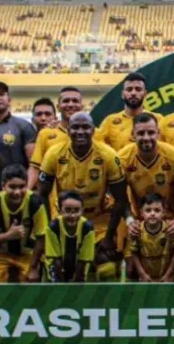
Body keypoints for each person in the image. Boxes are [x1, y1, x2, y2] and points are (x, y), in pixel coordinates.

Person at [37, 112, 129, 281]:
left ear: (93, 130)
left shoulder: (108, 155)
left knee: (107, 269)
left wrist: (109, 236)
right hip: (64, 219)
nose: (80, 131)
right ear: (68, 130)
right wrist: (49, 227)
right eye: (75, 127)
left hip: (98, 220)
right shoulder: (54, 153)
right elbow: (42, 194)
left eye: (85, 127)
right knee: (56, 269)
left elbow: (121, 199)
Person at [118, 114, 174, 278]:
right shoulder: (122, 158)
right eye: (141, 133)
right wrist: (130, 221)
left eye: (150, 132)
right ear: (133, 134)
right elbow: (119, 196)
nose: (146, 137)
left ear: (158, 133)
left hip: (169, 218)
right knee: (131, 269)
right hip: (138, 219)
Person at [0, 165, 47, 283]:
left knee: (29, 281)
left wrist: (34, 268)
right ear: (3, 186)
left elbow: (41, 237)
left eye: (22, 187)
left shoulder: (35, 203)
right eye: (12, 187)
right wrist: (8, 236)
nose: (17, 192)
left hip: (27, 254)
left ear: (27, 185)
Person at [28, 86, 85, 190]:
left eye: (75, 101)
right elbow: (35, 168)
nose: (70, 104)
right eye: (66, 101)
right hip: (55, 197)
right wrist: (26, 193)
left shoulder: (95, 134)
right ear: (58, 107)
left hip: (86, 195)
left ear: (82, 106)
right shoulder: (45, 134)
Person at [0, 80, 37, 174]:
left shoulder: (24, 126)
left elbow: (33, 165)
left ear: (9, 100)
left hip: (16, 182)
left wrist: (27, 183)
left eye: (2, 94)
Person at [125, 193, 174, 282]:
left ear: (163, 213)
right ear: (142, 213)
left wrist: (169, 274)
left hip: (166, 277)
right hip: (145, 278)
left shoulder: (169, 229)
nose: (152, 213)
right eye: (148, 210)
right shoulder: (137, 230)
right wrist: (142, 274)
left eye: (157, 210)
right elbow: (134, 253)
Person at [97, 72, 161, 150]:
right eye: (129, 89)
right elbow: (99, 147)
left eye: (138, 89)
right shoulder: (109, 122)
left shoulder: (158, 119)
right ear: (123, 94)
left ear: (145, 94)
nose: (133, 93)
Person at [44, 191, 94, 283]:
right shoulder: (53, 227)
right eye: (67, 210)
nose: (72, 215)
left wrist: (75, 282)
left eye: (76, 210)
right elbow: (56, 260)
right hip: (56, 268)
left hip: (78, 267)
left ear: (82, 211)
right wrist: (62, 284)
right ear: (60, 210)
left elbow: (83, 261)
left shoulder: (87, 228)